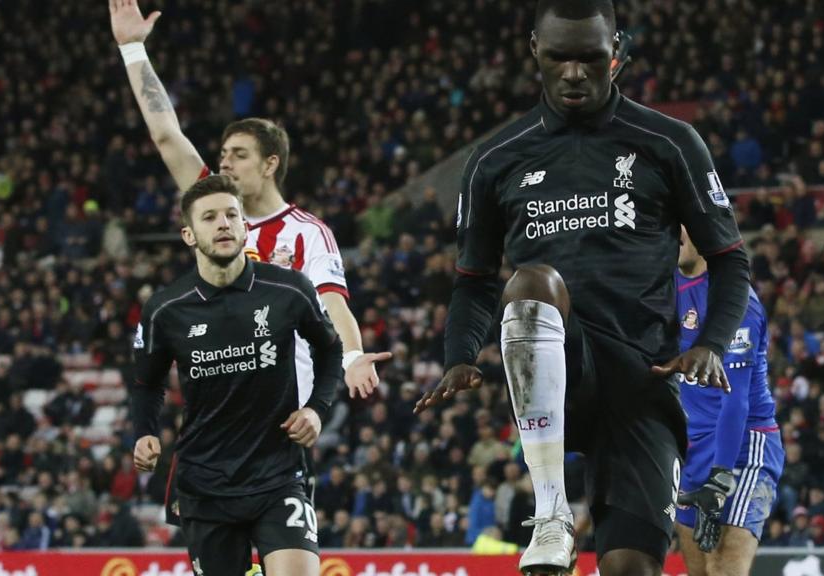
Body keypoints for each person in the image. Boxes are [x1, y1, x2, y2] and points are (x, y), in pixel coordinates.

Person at [414, 1, 750, 575]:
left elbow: (729, 259)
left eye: (590, 58)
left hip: (643, 384)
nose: (575, 73)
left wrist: (712, 342)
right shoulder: (495, 159)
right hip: (559, 367)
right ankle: (551, 515)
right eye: (559, 58)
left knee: (631, 567)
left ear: (615, 53)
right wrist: (459, 355)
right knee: (534, 282)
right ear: (534, 53)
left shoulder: (668, 142)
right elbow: (472, 281)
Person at [108, 0, 389, 405]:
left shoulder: (306, 232)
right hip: (217, 402)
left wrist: (354, 358)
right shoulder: (213, 204)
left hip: (280, 409)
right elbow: (166, 134)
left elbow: (333, 304)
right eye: (223, 154)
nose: (225, 161)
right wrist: (133, 50)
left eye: (239, 154)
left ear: (270, 163)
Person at [130, 175, 344, 575]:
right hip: (205, 484)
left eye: (232, 214)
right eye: (209, 218)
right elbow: (146, 384)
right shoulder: (165, 309)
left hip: (278, 475)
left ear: (245, 226)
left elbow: (331, 348)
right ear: (189, 235)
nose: (224, 223)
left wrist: (316, 408)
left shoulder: (289, 290)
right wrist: (144, 431)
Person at [675, 227, 784, 576]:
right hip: (692, 451)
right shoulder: (663, 290)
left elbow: (734, 401)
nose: (675, 234)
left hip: (741, 446)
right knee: (700, 572)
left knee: (724, 569)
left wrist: (721, 477)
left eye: (684, 225)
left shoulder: (735, 299)